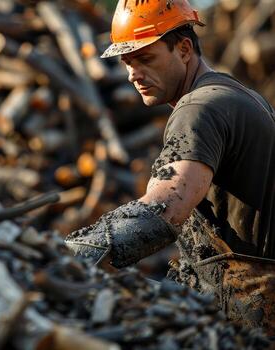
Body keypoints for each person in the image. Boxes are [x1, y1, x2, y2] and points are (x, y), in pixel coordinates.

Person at [65, 0, 275, 335]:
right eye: (127, 62)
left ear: (184, 48)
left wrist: (69, 256)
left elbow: (165, 208)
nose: (133, 73)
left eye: (145, 58)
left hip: (250, 318)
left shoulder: (199, 108)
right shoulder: (239, 96)